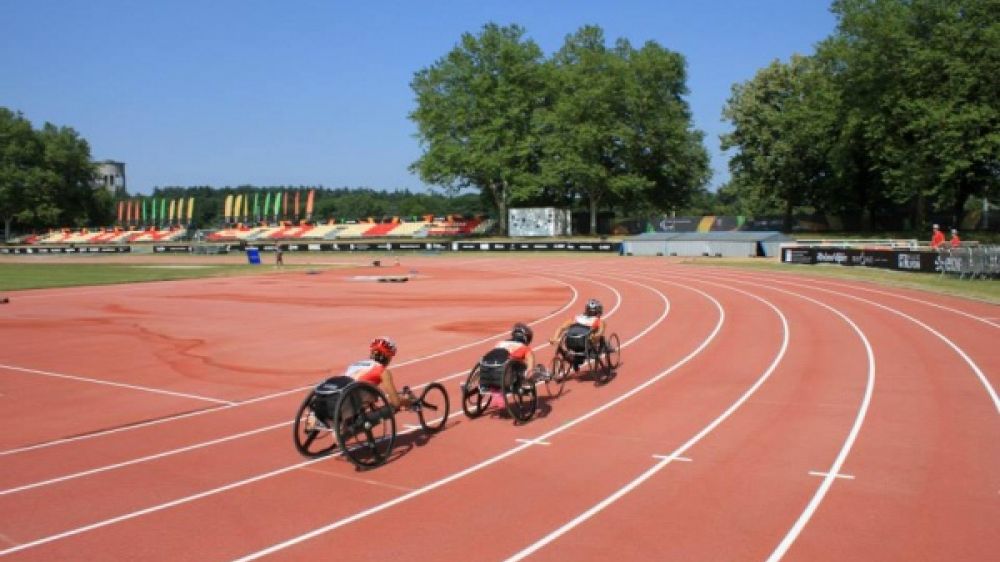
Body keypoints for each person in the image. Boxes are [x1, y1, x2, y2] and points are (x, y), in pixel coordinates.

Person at [308, 337, 411, 429]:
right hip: (348, 401)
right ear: (388, 357)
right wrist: (408, 401)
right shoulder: (383, 371)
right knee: (391, 404)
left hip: (332, 397)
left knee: (368, 394)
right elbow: (396, 401)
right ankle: (348, 430)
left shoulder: (356, 364)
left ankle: (319, 417)